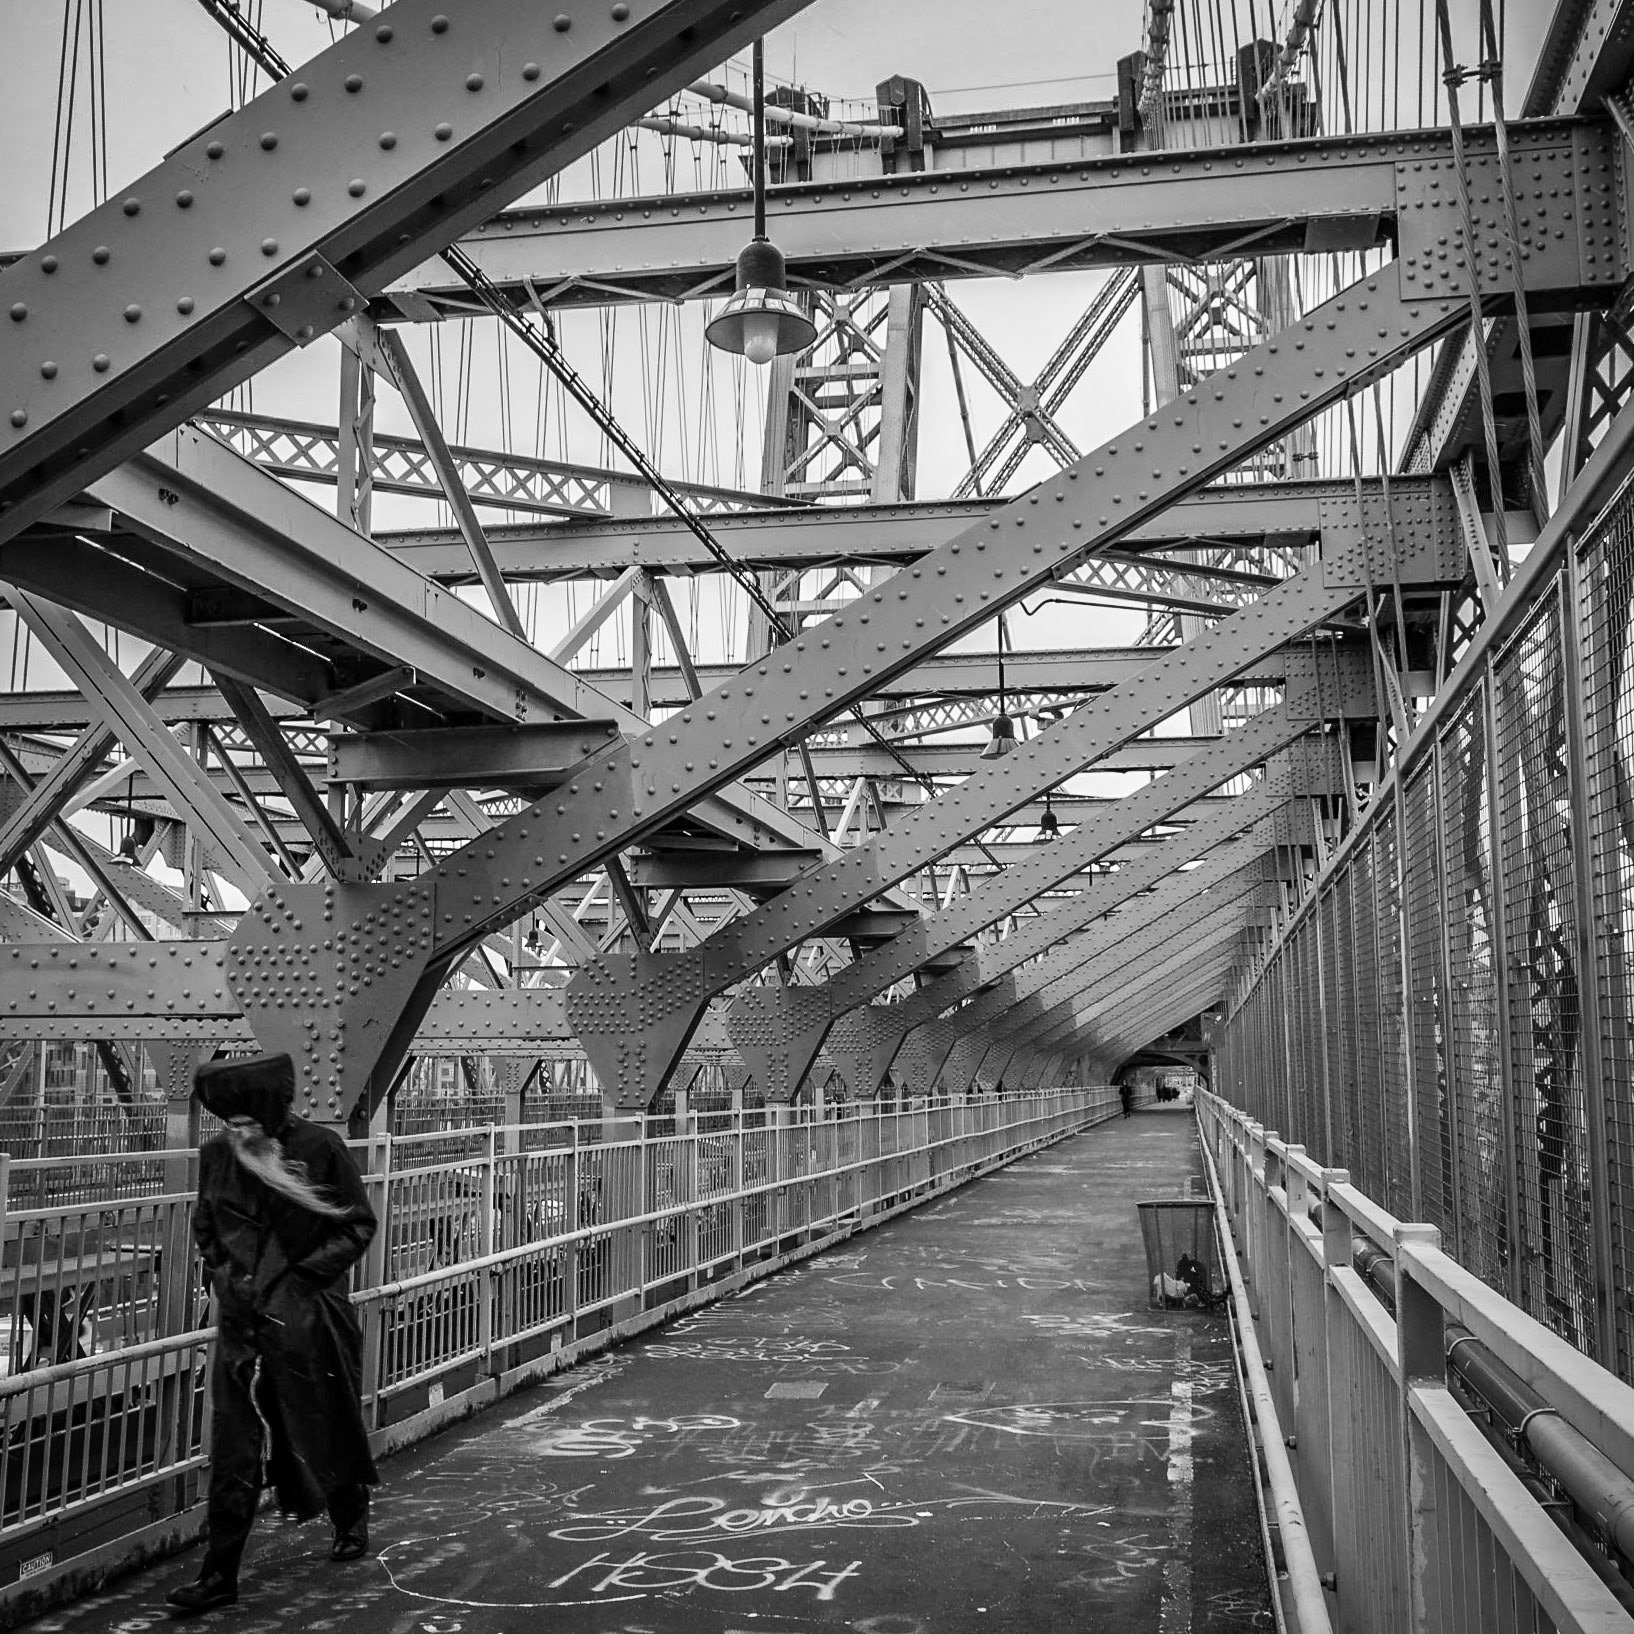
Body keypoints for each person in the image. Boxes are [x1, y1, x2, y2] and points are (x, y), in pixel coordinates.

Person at [166, 1053, 379, 1616]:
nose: (235, 1131)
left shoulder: (320, 1148)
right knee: (234, 1444)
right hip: (242, 1323)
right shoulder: (218, 1154)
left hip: (309, 1318)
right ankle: (219, 1575)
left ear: (267, 1110)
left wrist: (305, 1279)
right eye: (226, 1121)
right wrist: (225, 1276)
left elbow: (358, 1223)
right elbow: (205, 1226)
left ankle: (349, 1514)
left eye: (244, 1120)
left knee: (321, 1422)